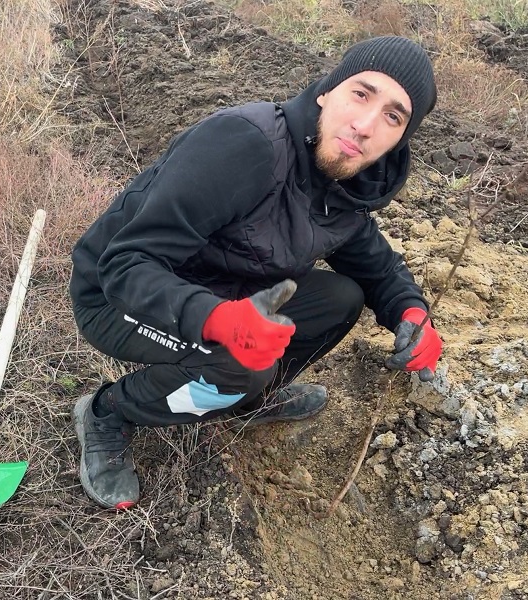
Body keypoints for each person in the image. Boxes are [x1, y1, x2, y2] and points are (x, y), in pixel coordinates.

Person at [69, 36, 444, 510]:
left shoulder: (347, 183)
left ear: (401, 139)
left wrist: (411, 310)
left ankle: (248, 400)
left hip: (225, 290)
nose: (366, 125)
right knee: (240, 362)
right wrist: (218, 320)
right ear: (328, 90)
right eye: (361, 93)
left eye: (393, 116)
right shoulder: (246, 144)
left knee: (341, 298)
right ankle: (108, 412)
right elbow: (124, 266)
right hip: (115, 296)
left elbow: (376, 265)